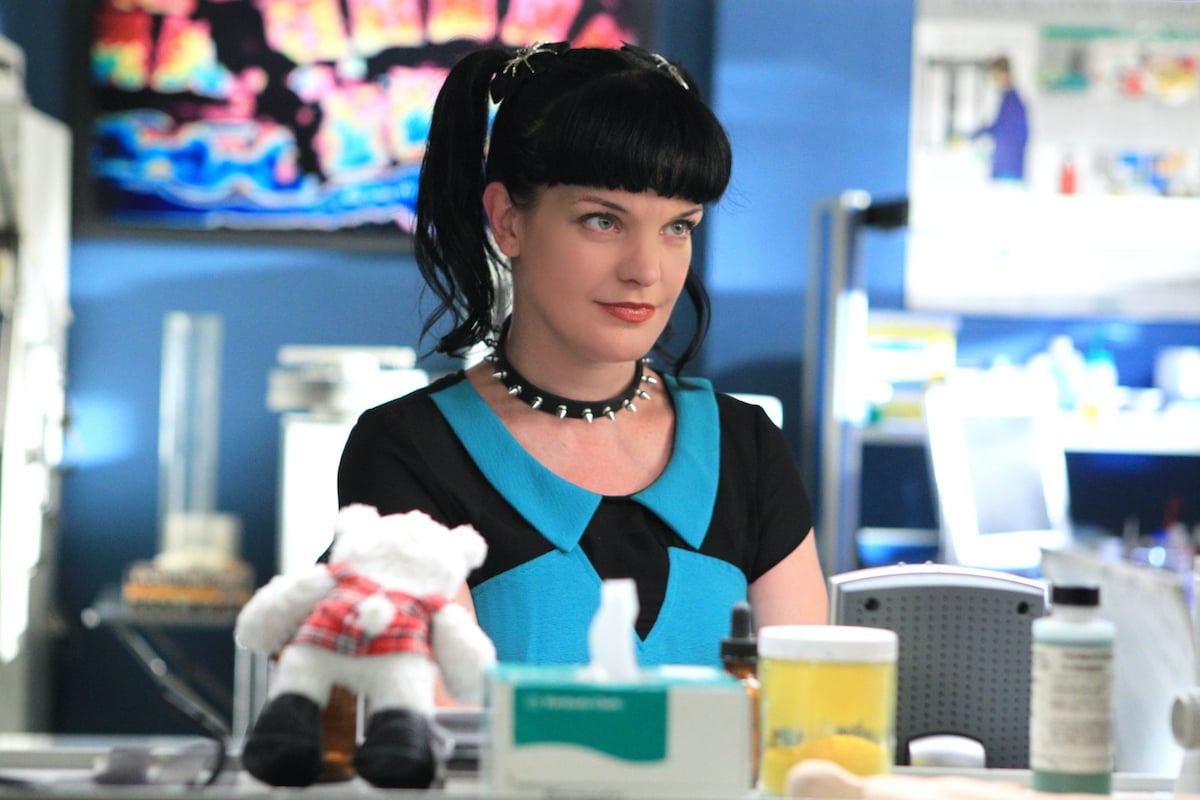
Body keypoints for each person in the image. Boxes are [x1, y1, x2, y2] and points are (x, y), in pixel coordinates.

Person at [336, 42, 828, 668]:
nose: (646, 270)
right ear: (507, 221)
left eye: (677, 226)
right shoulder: (410, 453)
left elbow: (807, 708)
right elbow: (439, 719)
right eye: (603, 221)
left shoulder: (747, 447)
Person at [971, 56, 1029, 182]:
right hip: (1005, 165)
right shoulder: (1007, 98)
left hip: (1008, 168)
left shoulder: (1013, 101)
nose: (994, 80)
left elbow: (1007, 131)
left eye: (995, 75)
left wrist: (981, 132)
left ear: (1003, 74)